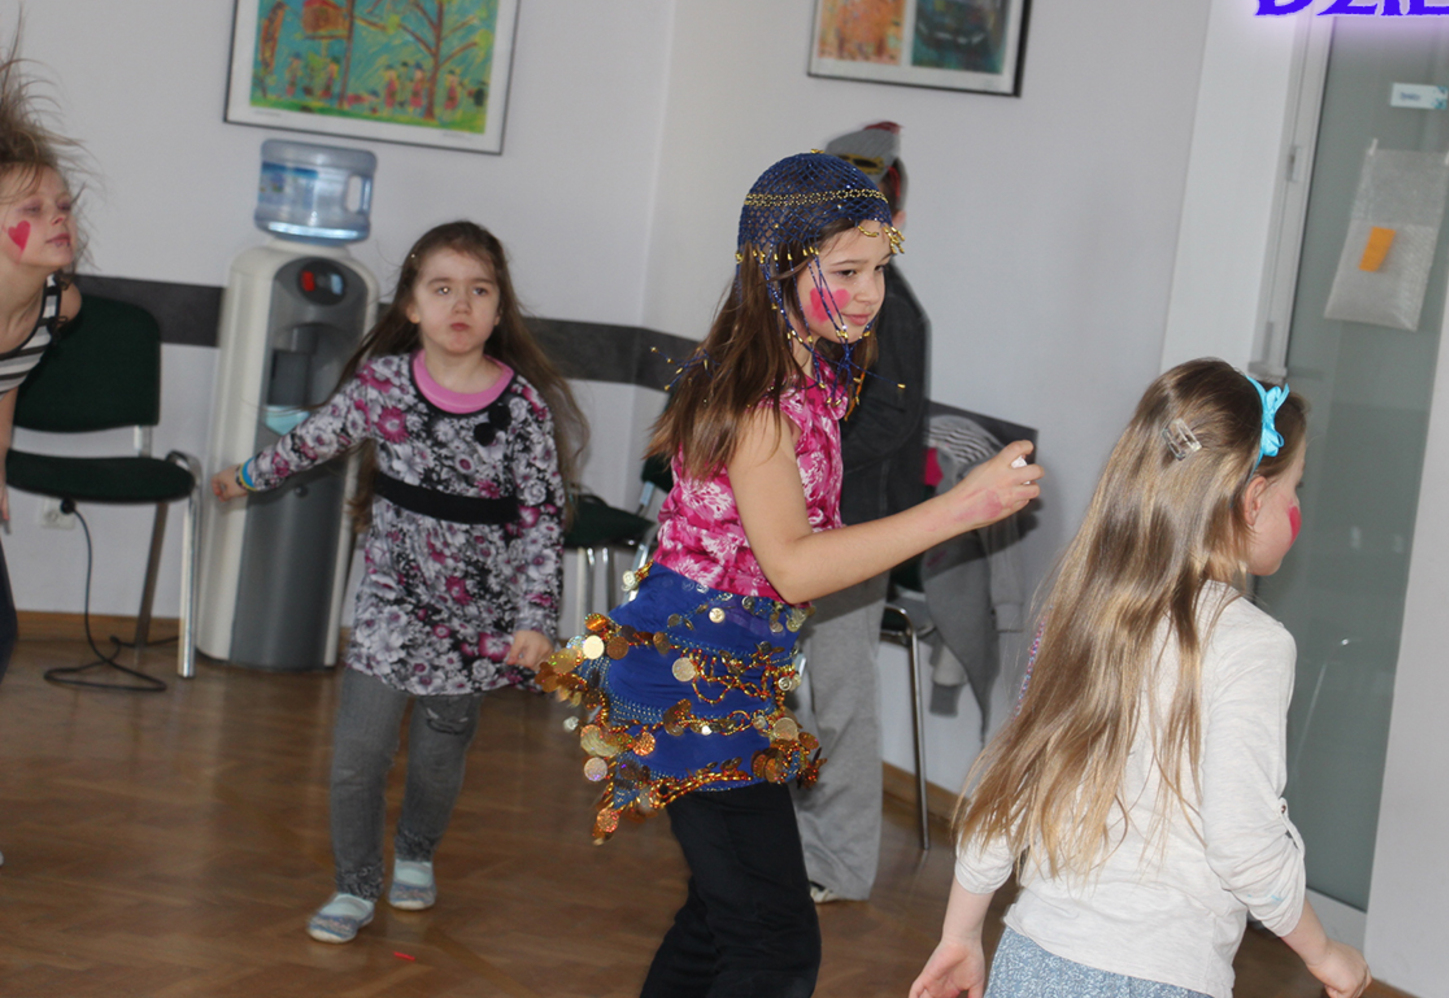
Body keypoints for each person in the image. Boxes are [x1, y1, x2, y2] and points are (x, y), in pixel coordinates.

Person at [538, 152, 1040, 998]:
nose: (870, 292)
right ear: (776, 270)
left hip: (725, 673)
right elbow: (795, 564)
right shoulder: (758, 399)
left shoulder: (814, 370)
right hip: (693, 683)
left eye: (879, 268)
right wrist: (958, 509)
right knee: (774, 947)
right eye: (846, 271)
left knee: (720, 922)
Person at [909, 359, 1372, 998]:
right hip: (1157, 979)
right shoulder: (1254, 645)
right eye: (1296, 488)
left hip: (1030, 959)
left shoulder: (1082, 612)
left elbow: (1010, 777)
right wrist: (1324, 954)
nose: (1296, 507)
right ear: (1254, 500)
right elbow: (1243, 843)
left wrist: (960, 934)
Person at [211, 221, 586, 944]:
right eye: (442, 289)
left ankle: (416, 851)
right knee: (358, 757)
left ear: (499, 310)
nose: (460, 305)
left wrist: (536, 618)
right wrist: (246, 476)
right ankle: (354, 885)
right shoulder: (382, 385)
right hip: (391, 605)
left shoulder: (522, 410)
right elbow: (312, 440)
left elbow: (542, 520)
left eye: (479, 291)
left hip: (477, 621)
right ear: (412, 306)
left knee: (440, 759)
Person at [791, 121, 928, 904]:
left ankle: (838, 864)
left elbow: (889, 422)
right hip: (803, 529)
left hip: (856, 530)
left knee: (841, 700)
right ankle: (791, 842)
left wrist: (803, 445)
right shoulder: (808, 298)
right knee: (785, 690)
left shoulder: (894, 313)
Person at [0, 32, 85, 691]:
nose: (57, 218)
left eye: (62, 206)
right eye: (32, 209)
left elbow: (6, 385)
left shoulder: (61, 305)